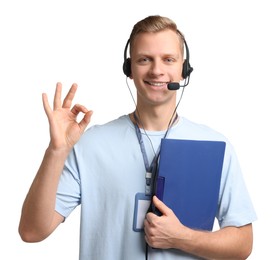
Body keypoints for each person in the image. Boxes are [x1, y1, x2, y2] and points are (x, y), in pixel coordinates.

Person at [19, 15, 257, 260]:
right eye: (145, 59)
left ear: (183, 69)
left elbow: (242, 244)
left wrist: (181, 237)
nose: (156, 70)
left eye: (168, 59)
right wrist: (56, 150)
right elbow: (31, 231)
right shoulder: (90, 145)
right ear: (129, 68)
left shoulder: (214, 146)